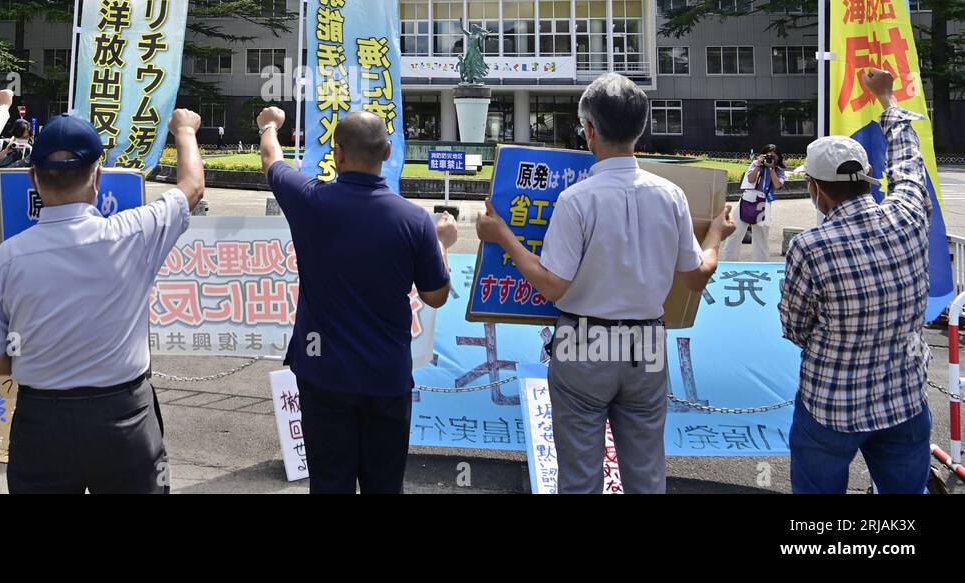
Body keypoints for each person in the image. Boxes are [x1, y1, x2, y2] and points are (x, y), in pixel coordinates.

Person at [477, 73, 735, 494]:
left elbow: (552, 285)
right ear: (642, 128)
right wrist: (714, 238)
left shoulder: (577, 199)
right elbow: (694, 277)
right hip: (647, 341)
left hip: (582, 341)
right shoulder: (671, 195)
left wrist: (502, 235)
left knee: (580, 477)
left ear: (590, 130)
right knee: (647, 474)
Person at [0, 110, 204, 493]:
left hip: (41, 424)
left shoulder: (8, 258)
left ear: (33, 178)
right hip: (125, 418)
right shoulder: (134, 233)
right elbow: (192, 187)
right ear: (97, 178)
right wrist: (184, 130)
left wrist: (43, 358)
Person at [260, 107, 455, 494]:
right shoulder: (414, 221)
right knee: (385, 485)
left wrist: (270, 125)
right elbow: (436, 296)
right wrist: (442, 244)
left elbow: (272, 160)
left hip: (322, 375)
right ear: (387, 152)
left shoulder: (309, 200)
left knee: (330, 483)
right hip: (386, 378)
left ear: (337, 154)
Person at [781, 68, 934, 495]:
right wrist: (887, 99)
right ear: (867, 176)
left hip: (831, 406)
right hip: (905, 398)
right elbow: (908, 164)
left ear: (816, 190)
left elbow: (795, 328)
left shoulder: (810, 247)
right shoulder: (908, 215)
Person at [722, 143, 787, 263]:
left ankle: (761, 265)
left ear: (778, 158)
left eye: (774, 157)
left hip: (765, 203)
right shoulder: (756, 164)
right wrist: (758, 165)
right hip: (748, 199)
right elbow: (750, 179)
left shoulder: (779, 170)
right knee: (735, 234)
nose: (771, 159)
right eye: (769, 156)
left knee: (761, 238)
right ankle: (728, 262)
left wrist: (772, 169)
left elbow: (778, 185)